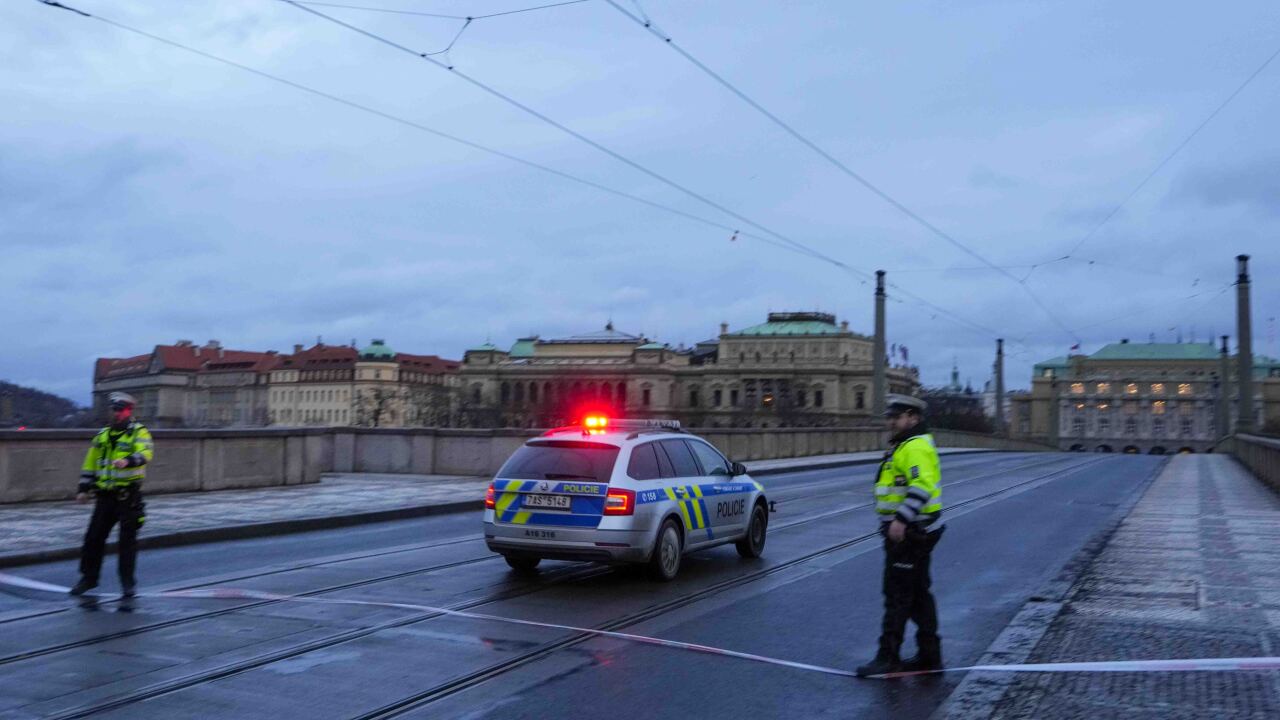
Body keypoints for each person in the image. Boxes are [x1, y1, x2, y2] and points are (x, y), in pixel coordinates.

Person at [856, 394, 945, 677]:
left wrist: (900, 520)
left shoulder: (914, 447)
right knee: (918, 596)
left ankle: (888, 657)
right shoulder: (905, 445)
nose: (890, 422)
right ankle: (930, 655)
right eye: (889, 417)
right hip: (913, 532)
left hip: (908, 534)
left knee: (896, 596)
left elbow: (923, 485)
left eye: (896, 417)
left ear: (913, 418)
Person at [70, 392, 153, 597]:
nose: (116, 413)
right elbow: (90, 464)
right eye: (114, 410)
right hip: (105, 497)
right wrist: (83, 490)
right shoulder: (102, 435)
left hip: (128, 496)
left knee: (127, 543)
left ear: (129, 411)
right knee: (93, 539)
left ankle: (127, 584)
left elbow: (145, 453)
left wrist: (128, 461)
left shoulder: (139, 432)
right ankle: (88, 579)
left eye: (120, 410)